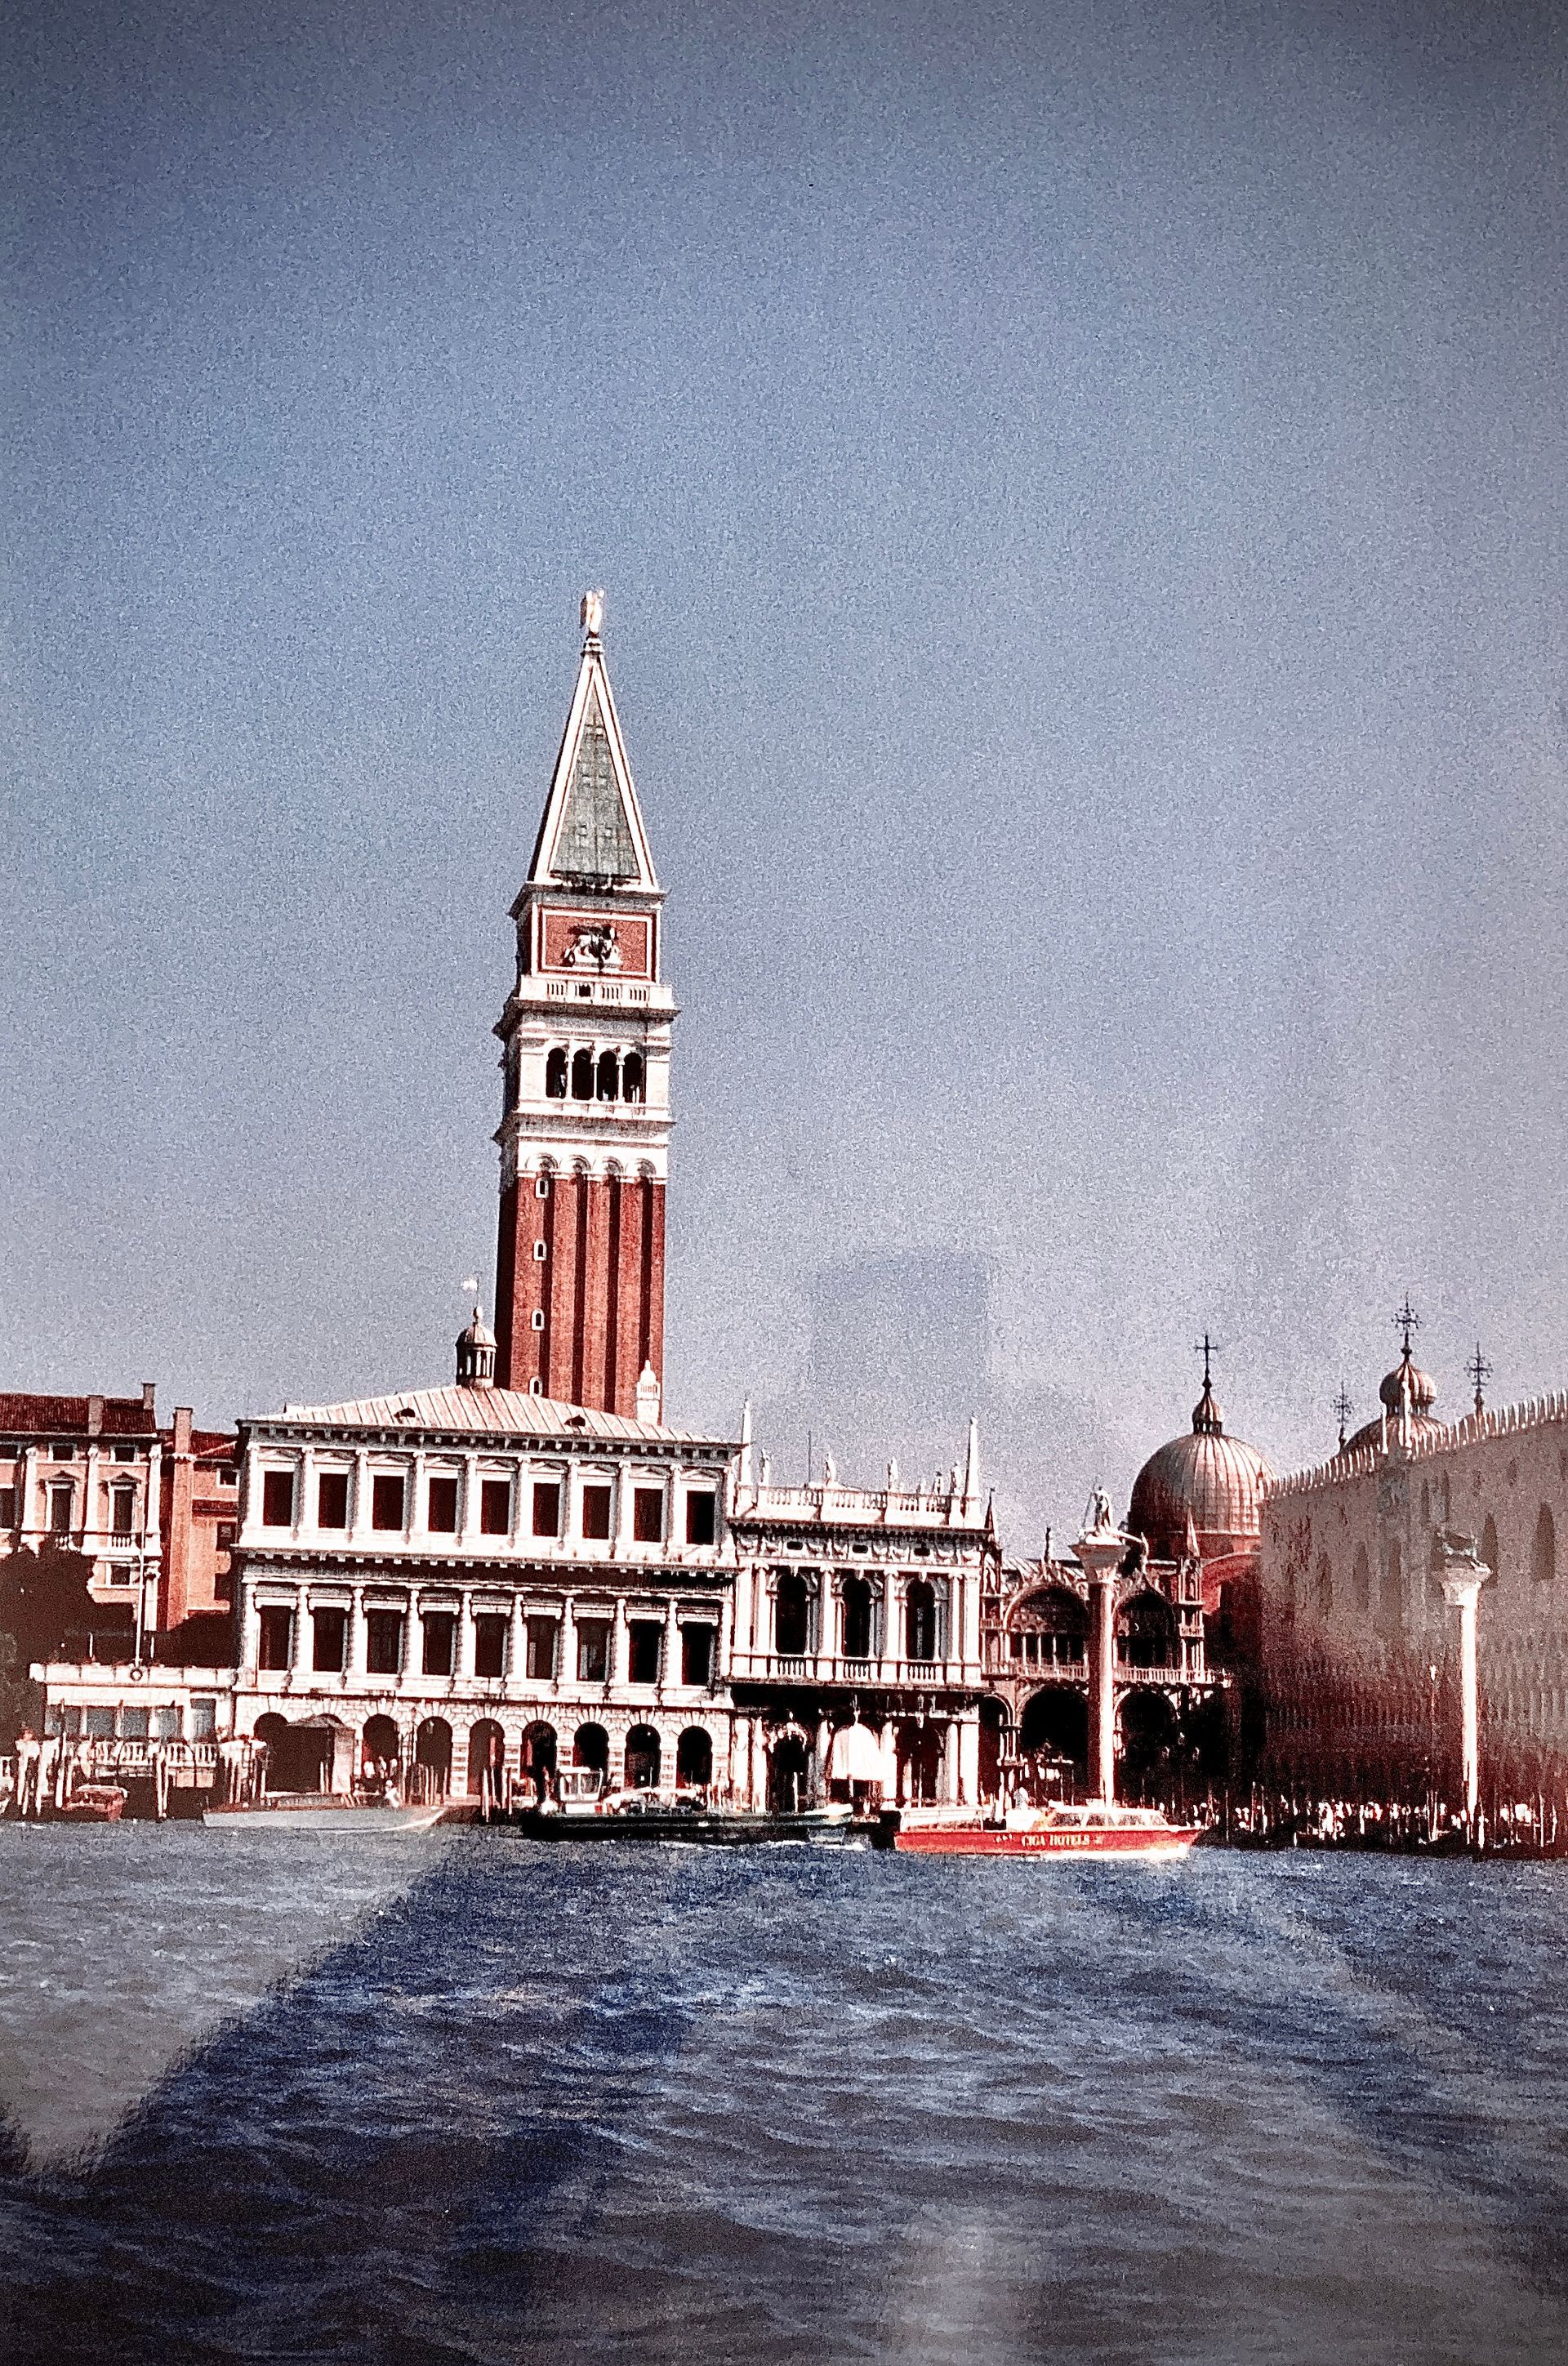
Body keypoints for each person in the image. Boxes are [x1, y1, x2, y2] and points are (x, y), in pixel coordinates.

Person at [15, 1727, 41, 1819]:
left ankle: (30, 1807)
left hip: (31, 1766)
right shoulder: (19, 1743)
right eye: (25, 1733)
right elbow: (19, 1751)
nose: (27, 1735)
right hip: (20, 1767)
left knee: (30, 1786)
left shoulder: (34, 1744)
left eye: (29, 1733)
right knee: (20, 1785)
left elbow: (35, 1754)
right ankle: (19, 1805)